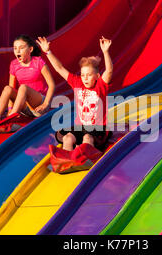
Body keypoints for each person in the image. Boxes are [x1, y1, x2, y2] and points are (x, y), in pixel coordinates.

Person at [36, 36, 113, 173]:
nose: (85, 78)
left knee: (87, 137)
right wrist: (48, 52)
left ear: (96, 76)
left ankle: (86, 158)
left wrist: (106, 52)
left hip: (97, 129)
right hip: (80, 126)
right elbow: (60, 68)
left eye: (89, 75)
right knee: (67, 137)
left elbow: (109, 71)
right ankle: (66, 161)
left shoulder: (100, 86)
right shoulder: (77, 83)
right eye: (83, 75)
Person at [0, 34, 55, 133]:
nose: (17, 51)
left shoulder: (38, 62)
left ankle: (11, 119)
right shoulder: (14, 64)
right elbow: (11, 88)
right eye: (15, 48)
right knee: (7, 88)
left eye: (21, 48)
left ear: (30, 49)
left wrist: (46, 104)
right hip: (23, 106)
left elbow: (52, 84)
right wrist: (9, 108)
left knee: (23, 88)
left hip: (39, 104)